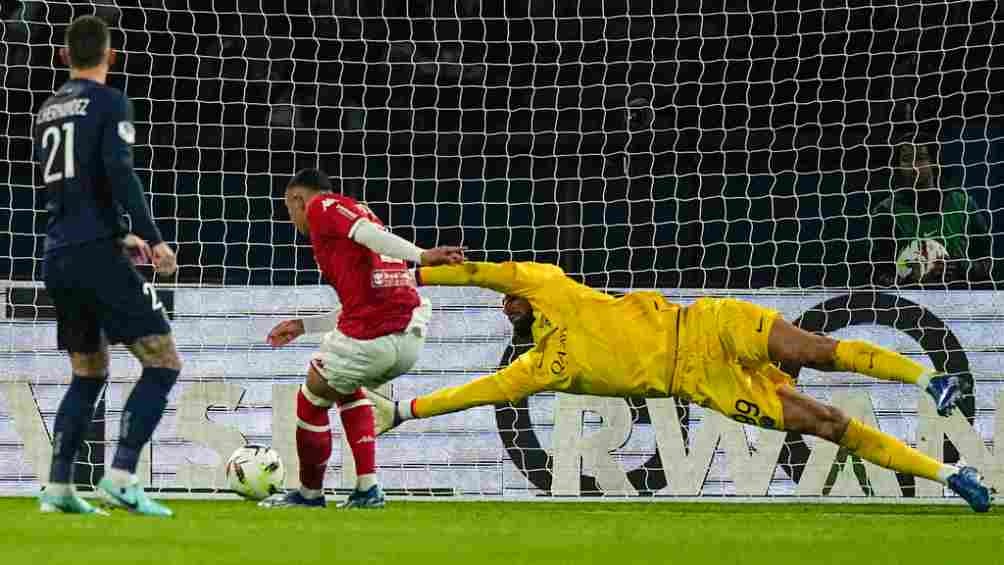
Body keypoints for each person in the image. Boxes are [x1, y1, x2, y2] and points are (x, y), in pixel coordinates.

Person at [367, 260, 993, 512]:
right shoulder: (539, 369)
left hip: (707, 325)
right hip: (700, 384)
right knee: (825, 425)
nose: (505, 303)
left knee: (816, 351)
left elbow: (478, 271)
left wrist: (414, 270)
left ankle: (928, 376)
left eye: (509, 298)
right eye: (504, 305)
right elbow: (476, 392)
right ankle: (950, 479)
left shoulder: (548, 286)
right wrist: (406, 410)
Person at [35, 15, 181, 517]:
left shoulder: (48, 109)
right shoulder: (110, 101)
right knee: (163, 360)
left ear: (63, 56)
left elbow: (75, 189)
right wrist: (155, 240)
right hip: (95, 252)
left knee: (89, 371)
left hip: (60, 253)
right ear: (111, 56)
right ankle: (121, 475)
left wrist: (123, 235)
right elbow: (118, 171)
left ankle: (58, 487)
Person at [258, 169, 463, 509]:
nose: (292, 219)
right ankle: (367, 489)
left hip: (376, 336)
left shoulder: (322, 207)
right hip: (408, 337)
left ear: (297, 199)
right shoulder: (360, 213)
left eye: (289, 209)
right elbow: (365, 296)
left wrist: (422, 254)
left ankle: (309, 495)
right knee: (343, 384)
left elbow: (367, 235)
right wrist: (303, 325)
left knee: (312, 395)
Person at [871, 141, 993, 286]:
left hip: (960, 299)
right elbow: (876, 274)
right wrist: (909, 277)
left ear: (934, 161)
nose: (914, 166)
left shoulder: (963, 204)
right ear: (898, 165)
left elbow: (988, 262)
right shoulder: (885, 211)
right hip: (908, 303)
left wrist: (962, 267)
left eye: (921, 158)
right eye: (906, 159)